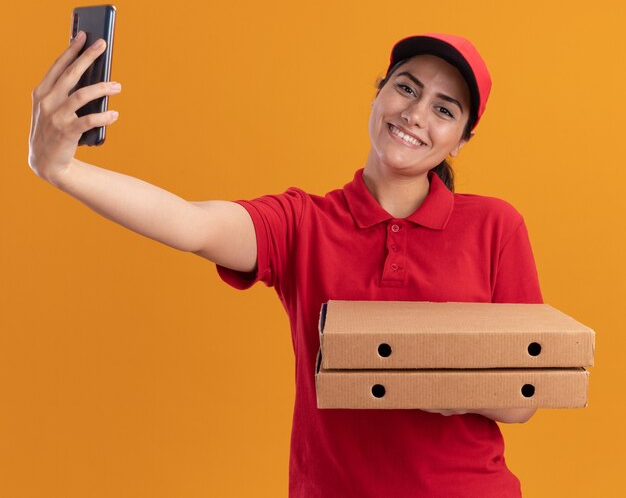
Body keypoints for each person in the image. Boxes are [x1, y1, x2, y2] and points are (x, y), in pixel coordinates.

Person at [29, 31, 543, 497]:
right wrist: (62, 170)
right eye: (406, 89)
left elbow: (523, 399)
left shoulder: (495, 226)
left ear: (463, 139)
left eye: (444, 110)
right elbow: (190, 223)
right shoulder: (303, 223)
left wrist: (424, 378)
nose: (415, 115)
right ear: (378, 92)